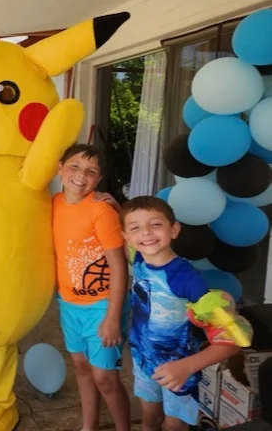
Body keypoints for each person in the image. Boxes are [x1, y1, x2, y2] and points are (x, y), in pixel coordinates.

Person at [119, 196, 240, 431]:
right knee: (150, 419)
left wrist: (187, 366)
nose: (146, 232)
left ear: (174, 230)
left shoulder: (187, 280)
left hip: (179, 367)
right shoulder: (139, 257)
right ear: (127, 237)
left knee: (174, 426)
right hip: (143, 359)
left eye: (156, 224)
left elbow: (232, 341)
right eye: (135, 228)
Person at [52, 143, 131, 431]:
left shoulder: (101, 211)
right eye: (74, 167)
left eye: (91, 171)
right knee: (81, 368)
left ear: (98, 179)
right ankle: (89, 425)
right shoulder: (53, 204)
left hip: (102, 306)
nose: (81, 175)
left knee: (104, 377)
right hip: (68, 304)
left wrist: (112, 318)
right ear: (60, 168)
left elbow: (119, 266)